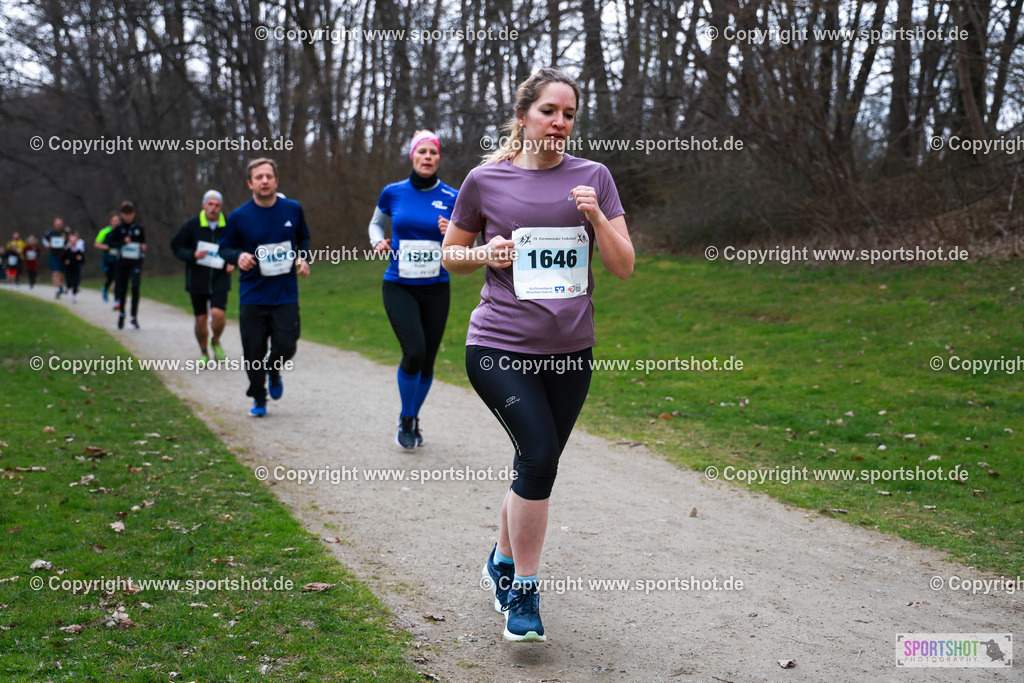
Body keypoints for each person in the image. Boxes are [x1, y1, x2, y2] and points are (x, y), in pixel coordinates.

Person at [442, 68, 634, 642]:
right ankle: (524, 592)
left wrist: (596, 217)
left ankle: (499, 561)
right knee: (540, 455)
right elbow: (450, 255)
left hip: (571, 351)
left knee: (536, 463)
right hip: (499, 344)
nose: (560, 123)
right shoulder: (485, 179)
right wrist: (486, 254)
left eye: (570, 115)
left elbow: (623, 267)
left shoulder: (594, 177)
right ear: (523, 114)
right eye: (550, 111)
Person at [369, 130, 458, 448]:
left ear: (438, 159)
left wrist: (453, 234)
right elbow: (375, 223)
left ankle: (412, 417)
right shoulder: (393, 192)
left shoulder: (453, 196)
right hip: (399, 285)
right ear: (413, 156)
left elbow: (469, 242)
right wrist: (377, 240)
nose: (428, 158)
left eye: (433, 153)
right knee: (414, 351)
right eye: (422, 152)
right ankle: (407, 418)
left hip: (436, 287)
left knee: (429, 359)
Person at [218, 158, 310, 417]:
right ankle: (258, 396)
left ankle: (274, 367)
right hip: (253, 295)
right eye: (259, 177)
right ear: (250, 183)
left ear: (276, 181)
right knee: (253, 352)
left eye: (269, 176)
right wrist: (238, 257)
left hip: (285, 293)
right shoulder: (238, 216)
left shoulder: (292, 209)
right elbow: (224, 248)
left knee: (287, 344)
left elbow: (303, 237)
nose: (265, 181)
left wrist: (302, 257)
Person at [171, 190, 235, 367]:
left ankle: (215, 341)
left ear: (221, 208)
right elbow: (176, 246)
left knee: (218, 314)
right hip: (197, 278)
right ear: (204, 206)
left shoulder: (228, 225)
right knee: (200, 319)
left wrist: (233, 261)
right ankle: (204, 352)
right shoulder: (191, 225)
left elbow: (238, 246)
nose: (213, 208)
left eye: (217, 205)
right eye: (210, 205)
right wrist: (192, 255)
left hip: (220, 276)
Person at [105, 201, 147, 329]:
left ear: (134, 214)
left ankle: (134, 317)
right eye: (125, 214)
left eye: (130, 214)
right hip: (122, 263)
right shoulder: (119, 228)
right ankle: (122, 313)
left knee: (135, 287)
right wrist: (122, 242)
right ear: (122, 214)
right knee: (122, 289)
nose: (128, 217)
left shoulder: (139, 228)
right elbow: (110, 243)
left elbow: (143, 242)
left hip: (135, 262)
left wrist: (143, 246)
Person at [95, 213, 122, 303]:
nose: (116, 222)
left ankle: (116, 300)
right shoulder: (104, 231)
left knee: (117, 279)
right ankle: (105, 289)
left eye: (117, 220)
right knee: (110, 279)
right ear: (111, 221)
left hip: (119, 259)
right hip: (108, 259)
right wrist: (105, 247)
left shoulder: (122, 231)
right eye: (114, 220)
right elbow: (96, 244)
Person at [42, 217, 69, 298]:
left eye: (60, 223)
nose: (58, 225)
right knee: (55, 272)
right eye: (57, 223)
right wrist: (47, 245)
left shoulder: (65, 233)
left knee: (63, 274)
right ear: (54, 224)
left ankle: (60, 284)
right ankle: (57, 290)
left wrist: (66, 246)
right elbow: (44, 240)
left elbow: (69, 242)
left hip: (63, 255)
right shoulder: (49, 232)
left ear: (62, 224)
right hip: (53, 255)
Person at [60, 231, 86, 302]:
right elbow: (62, 258)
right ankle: (67, 287)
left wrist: (80, 259)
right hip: (68, 269)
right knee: (69, 282)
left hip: (76, 269)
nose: (74, 241)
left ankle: (73, 296)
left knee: (76, 283)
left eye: (75, 240)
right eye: (72, 240)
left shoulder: (79, 251)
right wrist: (65, 261)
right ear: (69, 241)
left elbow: (83, 260)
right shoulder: (67, 250)